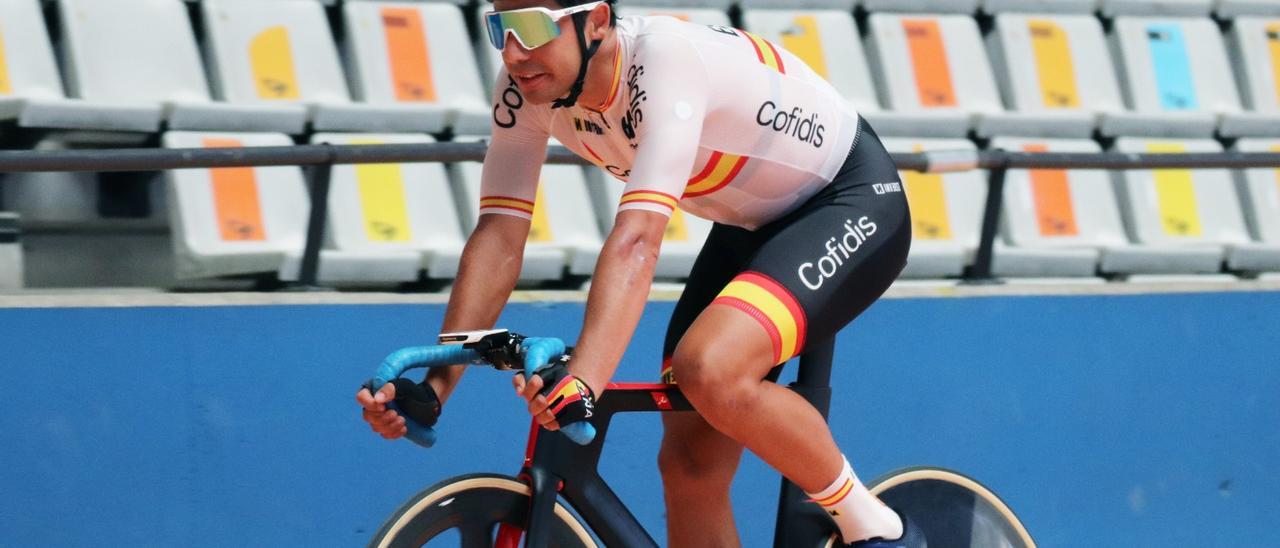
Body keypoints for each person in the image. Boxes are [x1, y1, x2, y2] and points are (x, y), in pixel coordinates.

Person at [357, 1, 920, 546]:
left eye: (530, 27)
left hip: (849, 198)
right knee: (689, 465)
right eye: (498, 27)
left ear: (595, 22)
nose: (513, 50)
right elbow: (500, 235)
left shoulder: (663, 65)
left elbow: (638, 243)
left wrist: (584, 381)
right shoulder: (524, 89)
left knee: (711, 369)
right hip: (749, 222)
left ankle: (876, 528)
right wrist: (437, 387)